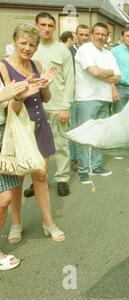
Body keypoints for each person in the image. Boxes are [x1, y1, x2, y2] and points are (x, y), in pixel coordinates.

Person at [0, 23, 64, 243]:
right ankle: (16, 224)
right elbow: (10, 109)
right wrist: (22, 93)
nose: (28, 48)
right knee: (17, 177)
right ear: (15, 41)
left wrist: (45, 85)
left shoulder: (37, 64)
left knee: (41, 175)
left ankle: (48, 222)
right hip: (19, 129)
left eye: (32, 45)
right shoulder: (3, 67)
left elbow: (45, 99)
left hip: (39, 125)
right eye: (23, 43)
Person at [28, 12, 75, 198]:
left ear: (54, 28)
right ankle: (38, 179)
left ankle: (62, 178)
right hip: (34, 106)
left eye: (50, 25)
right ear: (36, 25)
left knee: (61, 144)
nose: (46, 28)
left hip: (57, 106)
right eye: (43, 24)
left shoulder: (62, 50)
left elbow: (70, 80)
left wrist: (65, 106)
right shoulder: (31, 49)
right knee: (34, 146)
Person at [74, 22, 121, 184]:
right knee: (85, 135)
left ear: (107, 36)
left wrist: (102, 73)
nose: (101, 37)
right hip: (87, 98)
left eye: (104, 34)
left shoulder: (108, 54)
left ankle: (96, 165)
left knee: (99, 134)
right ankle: (83, 170)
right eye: (98, 34)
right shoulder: (84, 50)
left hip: (104, 98)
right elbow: (93, 72)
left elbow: (118, 77)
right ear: (92, 34)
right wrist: (108, 72)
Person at [0, 75, 38, 270]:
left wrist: (19, 97)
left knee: (4, 199)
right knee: (4, 199)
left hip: (3, 136)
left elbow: (8, 112)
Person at [68, 24, 90, 172]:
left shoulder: (91, 52)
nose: (83, 37)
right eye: (81, 34)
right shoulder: (69, 51)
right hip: (73, 95)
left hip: (88, 95)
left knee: (86, 127)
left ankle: (86, 157)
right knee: (74, 127)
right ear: (76, 35)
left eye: (86, 35)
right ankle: (74, 158)